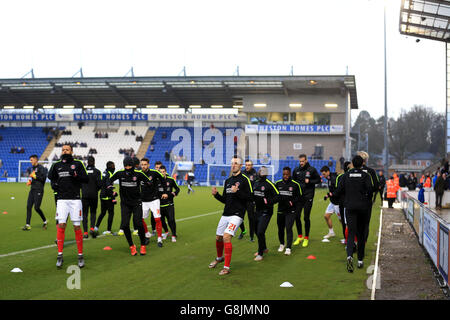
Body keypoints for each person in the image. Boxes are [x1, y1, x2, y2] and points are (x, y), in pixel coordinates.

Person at [209, 156, 252, 275]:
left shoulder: (244, 180)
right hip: (226, 213)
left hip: (237, 214)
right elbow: (225, 200)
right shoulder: (228, 181)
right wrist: (216, 195)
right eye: (232, 163)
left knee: (226, 237)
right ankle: (219, 258)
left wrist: (237, 191)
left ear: (240, 166)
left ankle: (226, 267)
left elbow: (250, 197)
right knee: (218, 238)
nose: (233, 165)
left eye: (236, 163)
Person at [47, 144, 89, 269]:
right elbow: (51, 177)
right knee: (61, 225)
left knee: (77, 227)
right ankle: (60, 255)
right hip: (61, 200)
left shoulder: (78, 164)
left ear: (71, 151)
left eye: (67, 150)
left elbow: (86, 179)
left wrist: (76, 175)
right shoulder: (56, 165)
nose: (65, 151)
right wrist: (54, 184)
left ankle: (80, 255)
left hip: (75, 200)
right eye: (63, 149)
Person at [331, 155, 373, 272]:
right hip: (362, 207)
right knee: (361, 234)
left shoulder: (345, 176)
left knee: (350, 233)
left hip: (349, 207)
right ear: (362, 164)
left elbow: (339, 190)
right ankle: (360, 260)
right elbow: (370, 190)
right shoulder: (365, 175)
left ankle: (349, 256)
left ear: (353, 164)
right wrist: (366, 199)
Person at [108, 157, 151, 256]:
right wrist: (109, 187)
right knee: (125, 225)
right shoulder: (120, 173)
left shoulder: (138, 174)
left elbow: (149, 182)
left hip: (137, 203)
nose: (128, 168)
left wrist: (147, 184)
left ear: (133, 166)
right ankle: (132, 246)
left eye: (129, 166)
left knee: (138, 223)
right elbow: (109, 180)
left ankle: (143, 245)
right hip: (125, 204)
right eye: (126, 166)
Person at [292, 154, 321, 247]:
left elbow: (318, 180)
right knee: (297, 216)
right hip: (298, 197)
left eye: (303, 161)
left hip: (308, 196)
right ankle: (300, 236)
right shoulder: (296, 170)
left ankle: (306, 238)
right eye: (300, 161)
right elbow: (293, 182)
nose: (301, 163)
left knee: (306, 217)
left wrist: (310, 181)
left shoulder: (312, 170)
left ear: (306, 160)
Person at [252, 166, 280, 261]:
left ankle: (260, 253)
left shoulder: (270, 184)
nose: (260, 172)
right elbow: (252, 195)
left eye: (263, 171)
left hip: (266, 212)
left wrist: (269, 201)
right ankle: (264, 248)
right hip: (257, 211)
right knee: (256, 231)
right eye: (260, 171)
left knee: (260, 231)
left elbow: (278, 196)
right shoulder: (255, 183)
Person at [275, 167, 303, 256]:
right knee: (280, 229)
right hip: (280, 210)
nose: (285, 176)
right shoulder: (278, 183)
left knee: (288, 228)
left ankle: (288, 248)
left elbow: (299, 197)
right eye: (284, 174)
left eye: (287, 174)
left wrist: (292, 202)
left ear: (290, 174)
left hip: (291, 211)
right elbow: (275, 195)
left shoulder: (295, 184)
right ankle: (282, 244)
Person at [140, 158, 165, 247]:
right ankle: (147, 234)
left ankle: (159, 238)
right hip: (143, 201)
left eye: (145, 164)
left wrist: (164, 192)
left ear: (148, 165)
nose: (143, 166)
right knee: (140, 219)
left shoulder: (154, 173)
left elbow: (163, 180)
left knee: (157, 219)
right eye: (142, 164)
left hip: (154, 200)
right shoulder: (139, 173)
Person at [357, 151, 379, 243]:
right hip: (367, 201)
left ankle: (355, 241)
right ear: (366, 160)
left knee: (356, 223)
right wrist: (367, 192)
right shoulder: (371, 171)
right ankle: (363, 242)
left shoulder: (353, 171)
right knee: (365, 223)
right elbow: (376, 186)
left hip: (355, 200)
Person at [23, 155, 48, 231]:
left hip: (39, 190)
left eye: (31, 160)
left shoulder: (41, 168)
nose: (31, 162)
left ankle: (45, 220)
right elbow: (33, 178)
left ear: (36, 160)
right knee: (28, 206)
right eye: (30, 160)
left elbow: (44, 179)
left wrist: (35, 177)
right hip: (32, 190)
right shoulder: (32, 168)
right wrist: (30, 181)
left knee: (36, 208)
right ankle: (27, 225)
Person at [81, 156, 102, 239]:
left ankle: (85, 232)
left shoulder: (83, 172)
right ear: (94, 162)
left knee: (85, 214)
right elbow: (100, 184)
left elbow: (79, 183)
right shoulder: (97, 172)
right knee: (93, 212)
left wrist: (83, 189)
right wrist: (95, 190)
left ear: (87, 162)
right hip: (94, 195)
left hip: (84, 195)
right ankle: (92, 229)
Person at [320, 165, 343, 240]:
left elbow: (338, 190)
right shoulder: (329, 178)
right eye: (322, 174)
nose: (323, 176)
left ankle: (347, 236)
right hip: (333, 202)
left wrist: (331, 194)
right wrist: (328, 195)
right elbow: (332, 190)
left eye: (324, 174)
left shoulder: (333, 178)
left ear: (328, 172)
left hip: (337, 203)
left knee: (342, 221)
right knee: (326, 216)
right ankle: (331, 232)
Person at [159, 165, 180, 242]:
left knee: (171, 220)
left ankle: (173, 235)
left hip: (169, 204)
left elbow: (177, 189)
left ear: (165, 172)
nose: (162, 173)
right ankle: (167, 232)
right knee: (162, 221)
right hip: (160, 205)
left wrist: (171, 194)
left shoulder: (170, 180)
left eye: (163, 172)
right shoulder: (156, 181)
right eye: (160, 172)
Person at [95, 161, 117, 235]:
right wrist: (113, 195)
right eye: (113, 166)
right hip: (108, 197)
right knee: (111, 213)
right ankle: (108, 230)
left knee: (103, 212)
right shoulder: (110, 174)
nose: (114, 167)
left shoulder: (104, 172)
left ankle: (96, 228)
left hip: (102, 195)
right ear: (110, 167)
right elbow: (108, 186)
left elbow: (102, 184)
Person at [238, 160, 258, 241]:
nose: (247, 166)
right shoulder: (242, 173)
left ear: (252, 165)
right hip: (242, 199)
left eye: (249, 165)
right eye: (246, 165)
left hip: (250, 200)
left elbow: (257, 186)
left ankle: (251, 236)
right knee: (239, 217)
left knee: (251, 218)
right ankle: (243, 231)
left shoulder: (255, 174)